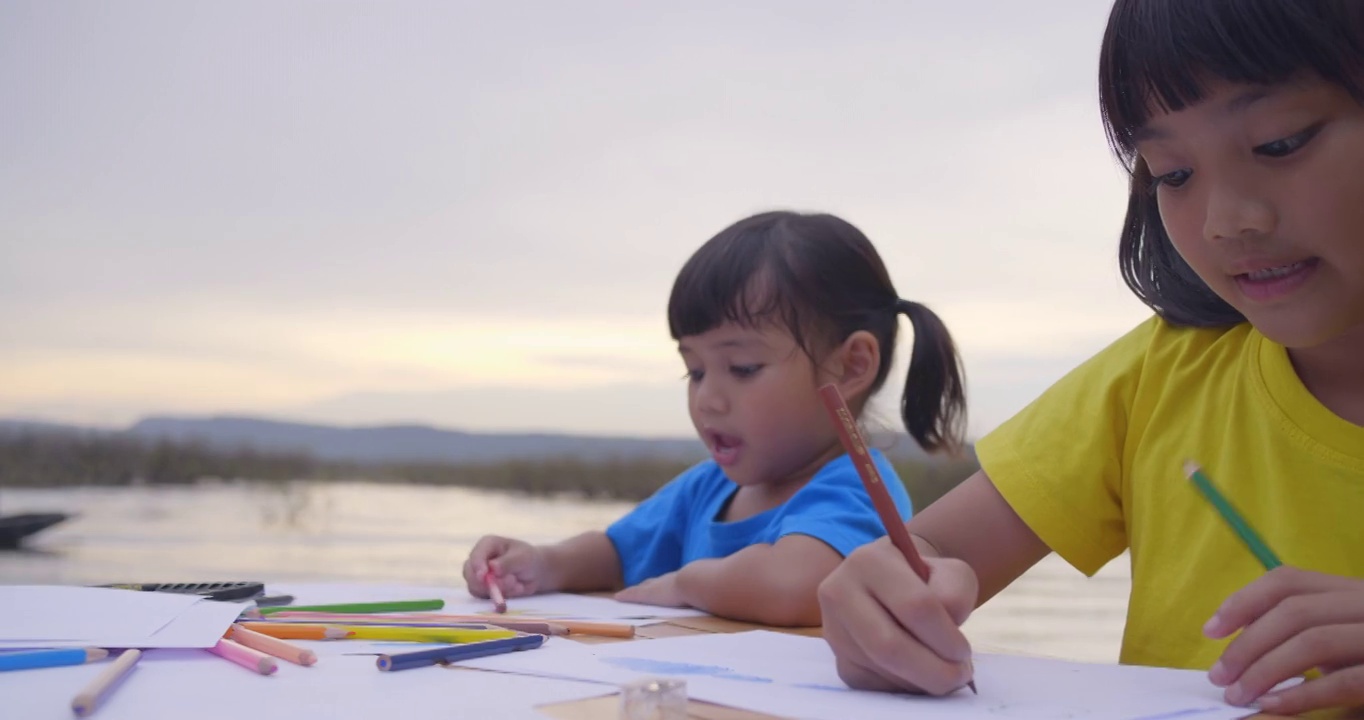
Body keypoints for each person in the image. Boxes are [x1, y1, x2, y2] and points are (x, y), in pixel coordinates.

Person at [817, 0, 1364, 714]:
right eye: (1171, 174)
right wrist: (881, 601)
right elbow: (930, 552)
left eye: (1281, 143)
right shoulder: (1159, 378)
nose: (1227, 221)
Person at [462, 210, 967, 627]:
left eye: (742, 368)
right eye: (695, 371)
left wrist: (684, 583)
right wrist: (541, 566)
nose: (707, 399)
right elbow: (617, 552)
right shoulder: (706, 489)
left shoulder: (856, 488)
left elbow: (797, 584)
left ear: (851, 365)